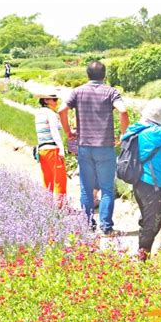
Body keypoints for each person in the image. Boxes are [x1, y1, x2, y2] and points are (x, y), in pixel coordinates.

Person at [58, 61, 129, 234]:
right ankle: (106, 227)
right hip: (105, 146)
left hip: (84, 146)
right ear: (104, 75)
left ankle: (88, 226)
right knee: (106, 188)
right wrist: (122, 134)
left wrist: (68, 132)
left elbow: (61, 110)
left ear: (87, 74)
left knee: (86, 188)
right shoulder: (111, 92)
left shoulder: (78, 91)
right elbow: (123, 111)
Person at [122, 99, 161, 259]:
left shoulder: (138, 128)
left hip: (142, 182)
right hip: (154, 183)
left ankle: (142, 255)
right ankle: (142, 258)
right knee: (153, 223)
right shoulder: (156, 133)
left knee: (147, 219)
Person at [35, 94, 67, 206]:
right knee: (60, 179)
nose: (56, 101)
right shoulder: (50, 114)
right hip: (52, 149)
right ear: (46, 100)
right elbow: (55, 132)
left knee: (47, 179)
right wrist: (61, 150)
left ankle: (47, 206)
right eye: (54, 99)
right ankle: (61, 206)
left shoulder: (39, 113)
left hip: (42, 150)